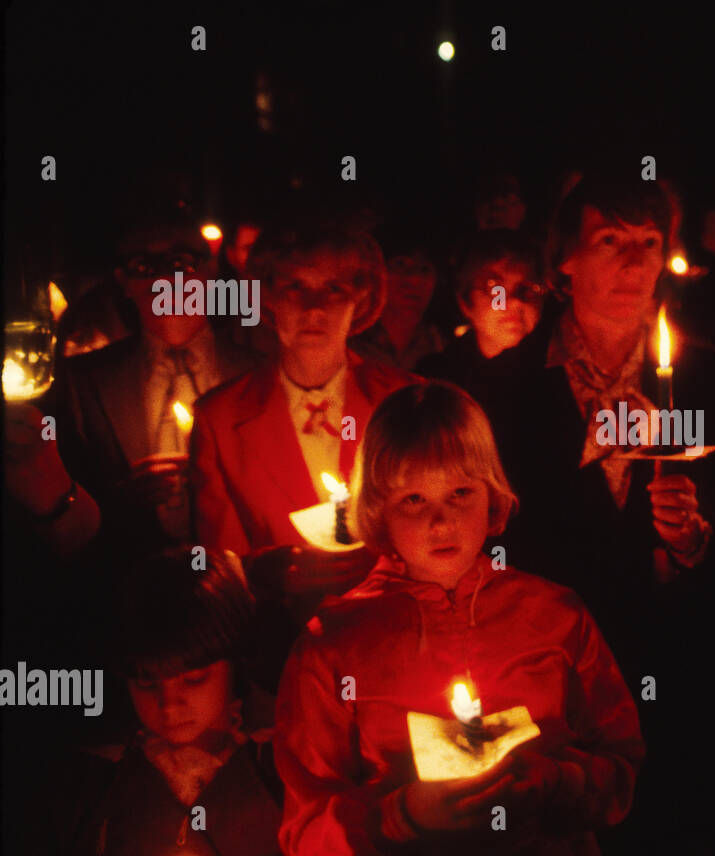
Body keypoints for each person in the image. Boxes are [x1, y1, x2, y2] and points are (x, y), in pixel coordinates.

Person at [464, 167, 715, 856]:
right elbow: (493, 533)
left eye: (648, 241)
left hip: (678, 679)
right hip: (549, 681)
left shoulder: (711, 380)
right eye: (610, 238)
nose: (634, 259)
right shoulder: (503, 386)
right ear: (565, 260)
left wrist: (693, 542)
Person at [274, 381, 643, 856]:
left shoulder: (556, 615)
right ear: (376, 509)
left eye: (460, 493)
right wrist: (402, 815)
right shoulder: (332, 646)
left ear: (492, 497)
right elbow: (304, 831)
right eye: (414, 500)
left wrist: (553, 781)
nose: (441, 523)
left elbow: (622, 767)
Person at [189, 217, 422, 628]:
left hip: (394, 634)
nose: (314, 307)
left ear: (362, 299)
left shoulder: (408, 403)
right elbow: (217, 566)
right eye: (294, 286)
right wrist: (267, 572)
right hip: (278, 650)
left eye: (334, 288)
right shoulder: (220, 419)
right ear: (267, 297)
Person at [53, 212, 263, 555]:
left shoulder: (256, 373)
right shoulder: (84, 381)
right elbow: (65, 495)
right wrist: (118, 498)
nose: (165, 278)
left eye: (181, 262)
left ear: (210, 271)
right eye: (143, 265)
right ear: (122, 280)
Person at [60, 547, 282, 856]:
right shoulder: (96, 782)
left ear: (236, 663)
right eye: (147, 684)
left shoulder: (281, 764)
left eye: (193, 679)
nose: (168, 706)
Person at [416, 229, 545, 386]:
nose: (515, 301)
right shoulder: (437, 383)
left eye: (528, 289)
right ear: (465, 302)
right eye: (496, 289)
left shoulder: (565, 377)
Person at [349, 222, 445, 373]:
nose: (414, 279)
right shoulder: (350, 345)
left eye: (424, 269)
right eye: (400, 265)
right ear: (379, 272)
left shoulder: (441, 348)